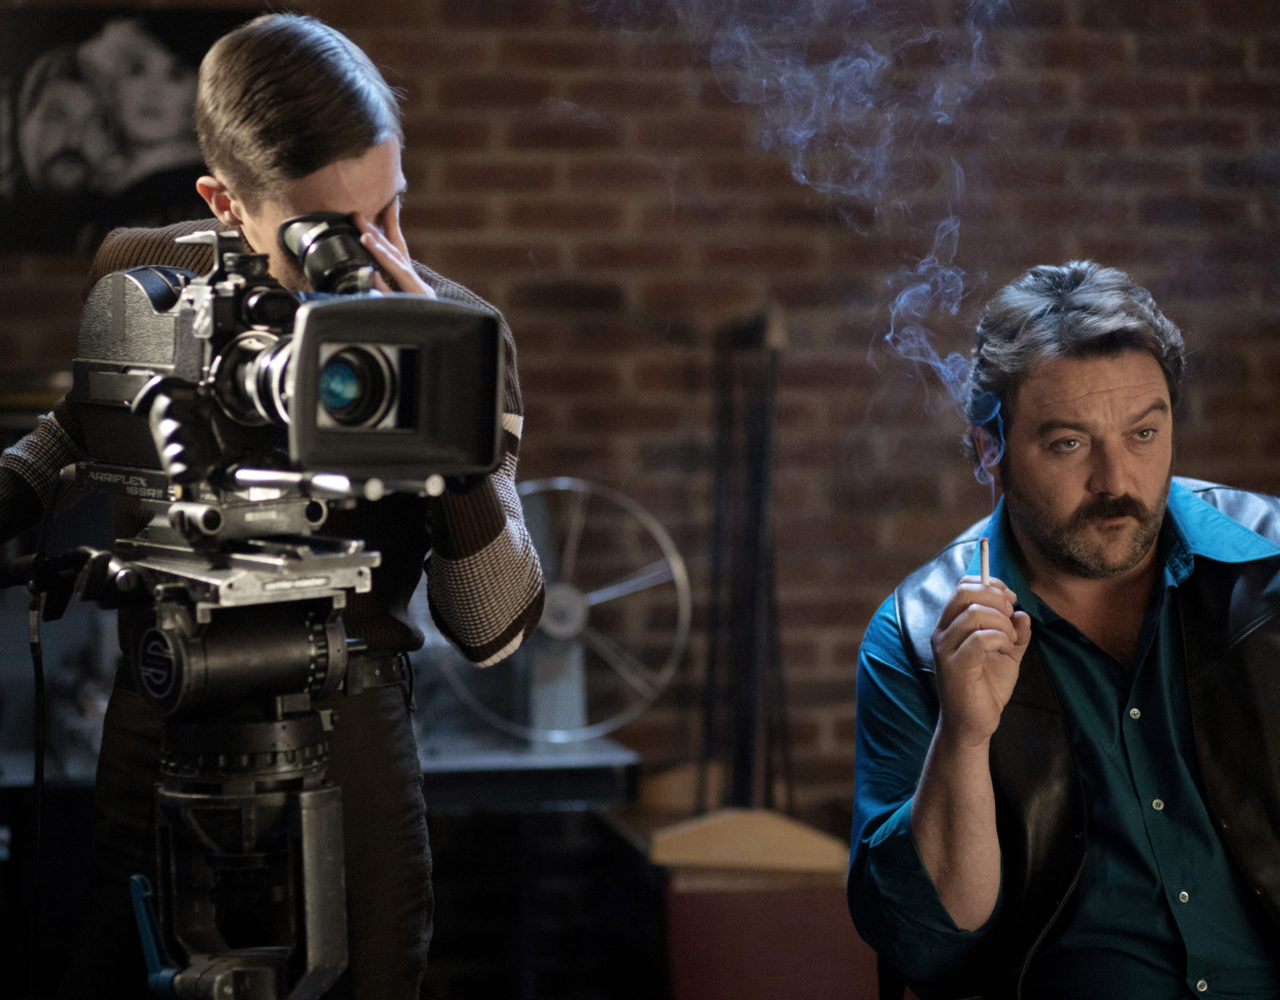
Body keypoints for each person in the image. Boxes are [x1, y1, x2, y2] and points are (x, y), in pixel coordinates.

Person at [0, 13, 544, 1000]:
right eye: (329, 236)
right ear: (224, 203)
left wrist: (452, 435)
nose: (372, 259)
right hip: (162, 701)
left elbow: (493, 628)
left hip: (349, 721)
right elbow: (79, 429)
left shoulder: (457, 331)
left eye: (390, 211)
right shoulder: (146, 275)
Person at [847, 260, 1280, 998]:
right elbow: (925, 944)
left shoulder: (1270, 569)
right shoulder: (914, 636)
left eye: (1144, 433)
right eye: (1069, 444)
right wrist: (965, 737)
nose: (1117, 481)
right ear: (991, 450)